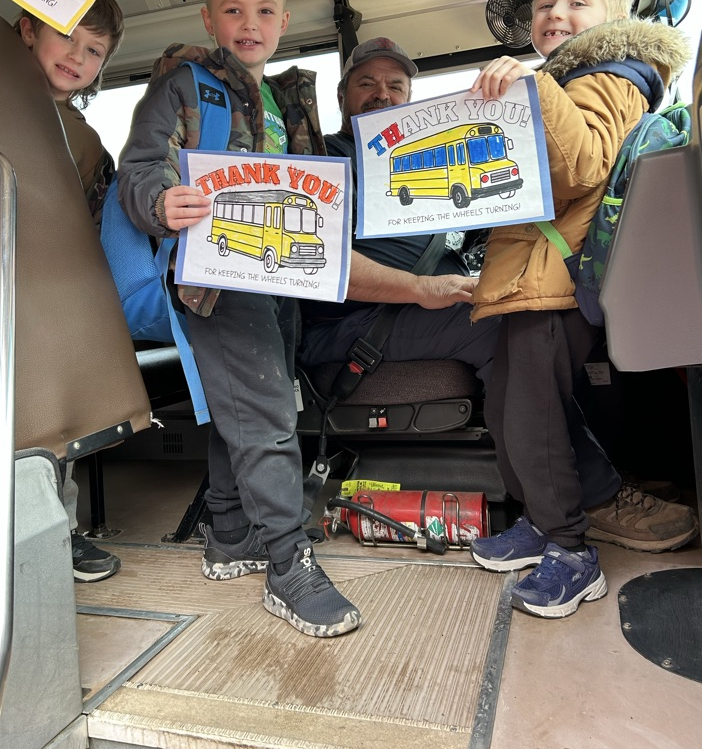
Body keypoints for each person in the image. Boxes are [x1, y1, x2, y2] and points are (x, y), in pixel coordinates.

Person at [298, 35, 697, 553]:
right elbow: (320, 262)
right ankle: (593, 499)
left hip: (417, 307)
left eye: (396, 86)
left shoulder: (426, 159)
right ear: (341, 96)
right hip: (353, 325)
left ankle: (580, 481)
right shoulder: (328, 160)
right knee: (507, 330)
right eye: (366, 84)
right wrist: (423, 288)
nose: (382, 95)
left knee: (545, 316)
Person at [117, 0, 360, 637]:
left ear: (283, 22)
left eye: (262, 11)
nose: (247, 24)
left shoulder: (287, 102)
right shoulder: (185, 87)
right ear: (208, 18)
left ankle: (229, 533)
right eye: (232, 11)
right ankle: (289, 566)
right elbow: (141, 168)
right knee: (265, 418)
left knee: (247, 407)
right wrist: (163, 202)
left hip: (279, 282)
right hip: (214, 281)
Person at [467, 0, 697, 617]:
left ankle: (573, 550)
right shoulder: (568, 79)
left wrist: (531, 90)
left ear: (615, 20)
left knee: (536, 416)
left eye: (576, 3)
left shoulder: (610, 76)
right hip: (527, 276)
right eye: (544, 5)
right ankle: (540, 525)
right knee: (507, 403)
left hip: (558, 275)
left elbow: (582, 165)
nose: (556, 14)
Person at [15, 0, 125, 583]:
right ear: (30, 26)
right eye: (68, 36)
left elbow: (92, 226)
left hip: (49, 290)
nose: (77, 57)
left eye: (95, 50)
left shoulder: (86, 144)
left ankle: (60, 531)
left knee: (54, 420)